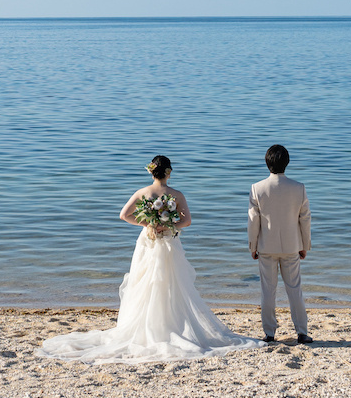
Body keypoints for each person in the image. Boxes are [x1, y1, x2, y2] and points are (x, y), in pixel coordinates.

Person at [38, 155, 261, 363]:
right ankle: (171, 323)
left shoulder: (142, 192)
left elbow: (124, 215)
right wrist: (167, 224)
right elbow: (188, 222)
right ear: (169, 172)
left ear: (151, 172)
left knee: (144, 281)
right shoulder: (176, 195)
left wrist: (148, 224)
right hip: (168, 241)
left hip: (148, 240)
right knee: (172, 283)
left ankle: (148, 325)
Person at [248, 144, 312, 344]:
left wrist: (253, 246)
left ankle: (269, 333)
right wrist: (305, 245)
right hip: (292, 246)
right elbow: (305, 219)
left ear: (267, 164)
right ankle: (301, 332)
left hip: (266, 247)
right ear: (287, 163)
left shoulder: (257, 188)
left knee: (268, 291)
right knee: (295, 290)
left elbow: (253, 221)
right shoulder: (298, 187)